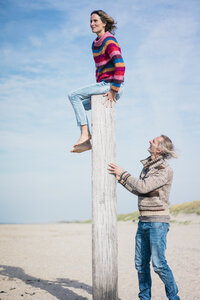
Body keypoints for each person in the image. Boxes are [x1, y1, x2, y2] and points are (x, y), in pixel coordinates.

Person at [108, 135, 180, 300]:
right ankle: (144, 298)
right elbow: (140, 191)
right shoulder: (148, 167)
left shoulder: (164, 169)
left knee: (159, 265)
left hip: (157, 223)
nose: (149, 141)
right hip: (143, 222)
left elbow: (143, 186)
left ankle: (174, 297)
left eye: (153, 141)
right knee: (140, 265)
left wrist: (123, 173)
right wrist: (122, 181)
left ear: (159, 149)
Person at [68, 10, 125, 153]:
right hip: (103, 85)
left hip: (111, 86)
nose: (92, 24)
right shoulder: (94, 44)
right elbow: (99, 69)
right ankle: (87, 142)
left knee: (74, 96)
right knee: (80, 103)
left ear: (104, 23)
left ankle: (85, 134)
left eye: (95, 21)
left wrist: (113, 90)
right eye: (90, 21)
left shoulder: (109, 40)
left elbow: (120, 65)